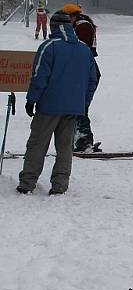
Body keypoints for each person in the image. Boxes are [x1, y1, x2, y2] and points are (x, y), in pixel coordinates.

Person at [17, 10, 98, 195]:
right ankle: (60, 185)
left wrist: (31, 100)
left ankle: (27, 183)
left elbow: (39, 76)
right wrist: (83, 104)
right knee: (65, 148)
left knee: (37, 145)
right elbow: (92, 80)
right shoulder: (84, 50)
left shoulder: (49, 46)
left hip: (49, 106)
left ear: (53, 26)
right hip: (73, 108)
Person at [62, 3, 102, 152]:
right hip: (83, 71)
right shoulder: (79, 25)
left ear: (72, 16)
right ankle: (79, 139)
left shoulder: (82, 27)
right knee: (77, 107)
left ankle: (84, 140)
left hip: (86, 72)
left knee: (80, 107)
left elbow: (81, 52)